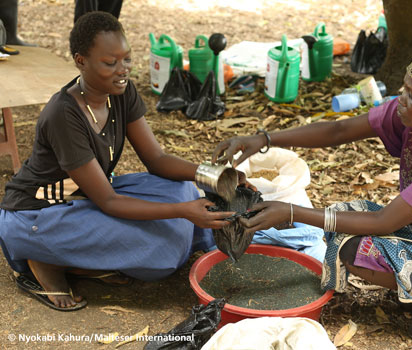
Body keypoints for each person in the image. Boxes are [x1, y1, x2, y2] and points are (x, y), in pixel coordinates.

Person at [212, 43, 412, 342]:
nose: (402, 99)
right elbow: (340, 130)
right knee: (343, 228)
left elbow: (384, 223)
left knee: (357, 249)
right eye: (404, 90)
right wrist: (264, 138)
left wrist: (291, 212)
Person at [0, 11, 240, 311]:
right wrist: (182, 212)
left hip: (88, 196)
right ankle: (46, 258)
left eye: (126, 59)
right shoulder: (63, 114)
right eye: (109, 63)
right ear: (80, 61)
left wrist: (216, 175)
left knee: (183, 190)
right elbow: (110, 203)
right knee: (163, 252)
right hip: (39, 213)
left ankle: (82, 259)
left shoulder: (120, 91)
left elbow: (156, 158)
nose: (122, 69)